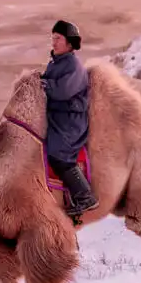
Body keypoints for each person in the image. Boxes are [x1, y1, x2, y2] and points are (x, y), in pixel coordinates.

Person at [42, 19, 97, 218]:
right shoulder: (55, 63)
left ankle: (85, 197)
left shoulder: (73, 65)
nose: (54, 42)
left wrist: (44, 85)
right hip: (57, 118)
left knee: (58, 155)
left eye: (58, 38)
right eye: (53, 38)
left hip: (70, 122)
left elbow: (62, 91)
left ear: (70, 43)